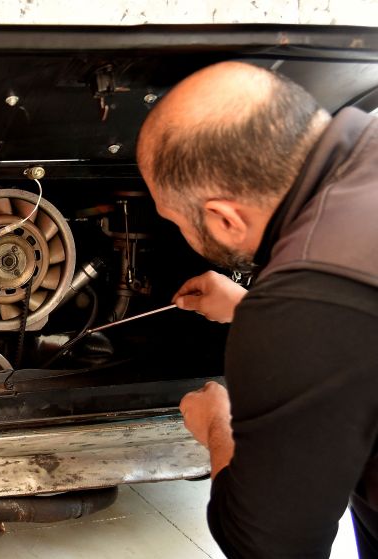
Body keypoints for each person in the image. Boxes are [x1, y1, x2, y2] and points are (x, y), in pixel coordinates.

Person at [136, 61, 378, 558]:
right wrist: (253, 309)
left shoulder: (308, 298)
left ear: (223, 219)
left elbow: (268, 547)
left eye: (173, 219)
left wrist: (214, 425)